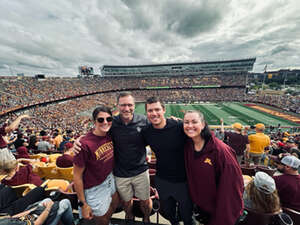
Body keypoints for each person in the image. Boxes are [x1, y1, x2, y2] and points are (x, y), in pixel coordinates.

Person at [73, 92, 152, 222]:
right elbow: (95, 133)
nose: (126, 108)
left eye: (130, 105)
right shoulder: (111, 122)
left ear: (134, 105)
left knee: (145, 200)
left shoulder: (143, 121)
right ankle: (129, 216)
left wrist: (174, 122)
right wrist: (79, 140)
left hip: (140, 170)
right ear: (117, 106)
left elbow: (157, 131)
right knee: (126, 202)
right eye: (123, 105)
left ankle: (147, 218)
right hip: (120, 173)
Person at [183, 110, 244, 225]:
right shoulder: (188, 146)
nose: (190, 126)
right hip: (201, 210)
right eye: (186, 122)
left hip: (220, 214)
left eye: (194, 122)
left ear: (203, 124)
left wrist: (222, 219)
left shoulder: (221, 151)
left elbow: (232, 190)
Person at [141, 97, 194, 225]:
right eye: (150, 110)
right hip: (162, 180)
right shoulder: (146, 131)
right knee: (169, 213)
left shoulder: (179, 126)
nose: (154, 113)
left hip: (183, 180)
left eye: (157, 109)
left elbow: (201, 138)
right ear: (146, 113)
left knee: (187, 216)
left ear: (163, 110)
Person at [73, 105, 119, 225]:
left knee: (114, 205)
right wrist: (83, 203)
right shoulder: (84, 145)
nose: (105, 122)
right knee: (101, 219)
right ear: (94, 121)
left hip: (110, 178)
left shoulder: (110, 134)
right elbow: (77, 176)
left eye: (108, 119)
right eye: (100, 120)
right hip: (94, 187)